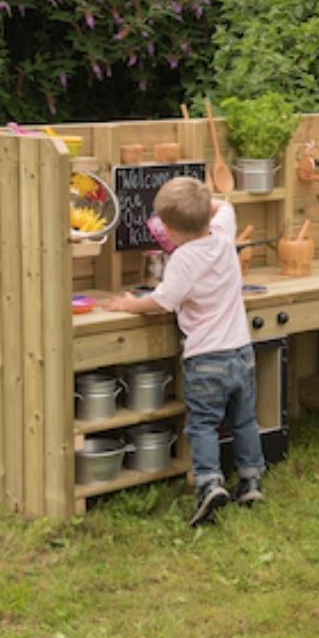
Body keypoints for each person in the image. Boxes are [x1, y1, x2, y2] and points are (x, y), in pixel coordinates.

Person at [104, 176, 265, 526]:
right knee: (244, 419)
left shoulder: (183, 260)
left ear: (171, 231)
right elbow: (228, 205)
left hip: (207, 358)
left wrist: (130, 304)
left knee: (203, 425)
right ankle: (251, 480)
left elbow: (163, 301)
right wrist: (206, 200)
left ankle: (209, 483)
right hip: (241, 351)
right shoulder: (223, 236)